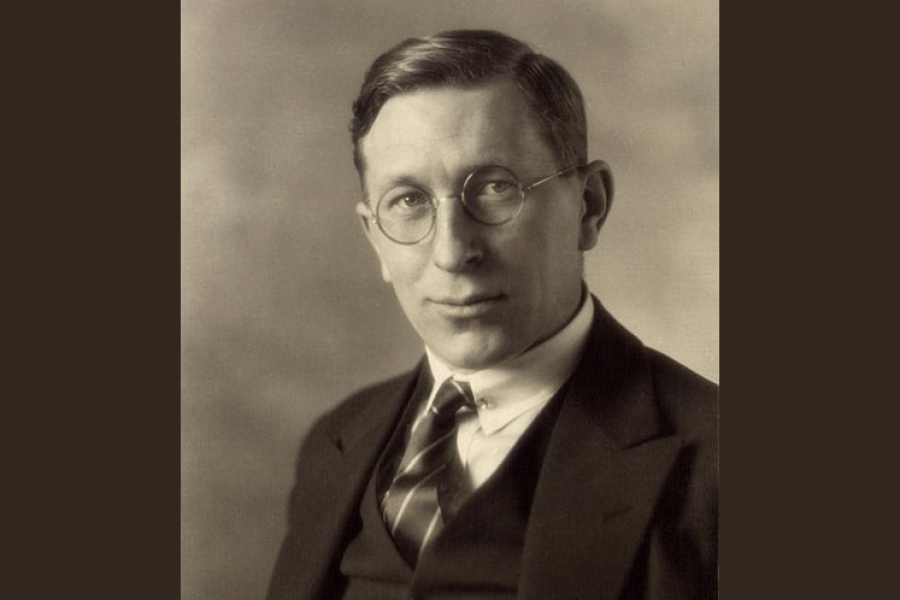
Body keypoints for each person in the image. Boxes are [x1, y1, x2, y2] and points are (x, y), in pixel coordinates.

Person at [267, 30, 717, 600]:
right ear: (374, 238)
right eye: (408, 201)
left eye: (496, 189)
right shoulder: (336, 441)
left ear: (589, 207)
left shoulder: (715, 463)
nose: (455, 253)